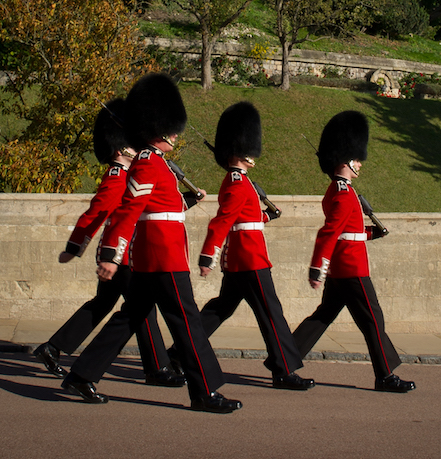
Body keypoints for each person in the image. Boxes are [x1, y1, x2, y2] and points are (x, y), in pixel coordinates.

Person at [60, 73, 242, 414]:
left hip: (155, 255)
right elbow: (130, 210)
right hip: (163, 257)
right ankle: (204, 392)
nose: (176, 134)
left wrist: (187, 202)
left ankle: (82, 375)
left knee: (129, 317)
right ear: (158, 128)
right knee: (187, 323)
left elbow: (159, 209)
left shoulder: (155, 163)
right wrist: (112, 254)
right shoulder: (147, 163)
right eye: (171, 129)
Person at [34, 99, 179, 387]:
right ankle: (157, 368)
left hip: (121, 253)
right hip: (122, 256)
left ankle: (53, 348)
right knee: (143, 310)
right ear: (123, 148)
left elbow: (153, 208)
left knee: (102, 304)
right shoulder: (117, 177)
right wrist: (74, 247)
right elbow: (96, 213)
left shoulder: (129, 174)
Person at [291, 110, 415, 393]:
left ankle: (284, 358)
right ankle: (384, 375)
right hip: (351, 268)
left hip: (342, 267)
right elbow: (330, 233)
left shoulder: (338, 190)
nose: (360, 163)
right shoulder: (344, 193)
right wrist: (317, 267)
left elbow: (348, 232)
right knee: (373, 320)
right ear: (345, 159)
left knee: (322, 317)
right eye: (357, 158)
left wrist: (373, 233)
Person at [194, 101, 313, 390]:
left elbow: (243, 218)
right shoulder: (236, 182)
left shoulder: (241, 181)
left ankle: (178, 354)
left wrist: (266, 216)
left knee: (220, 309)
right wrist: (208, 255)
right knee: (271, 313)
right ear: (239, 149)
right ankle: (283, 371)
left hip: (243, 259)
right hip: (250, 260)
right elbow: (222, 221)